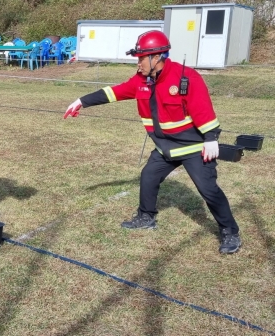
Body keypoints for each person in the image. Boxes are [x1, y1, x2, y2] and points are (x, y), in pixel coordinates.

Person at [63, 30, 241, 254]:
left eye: (140, 58)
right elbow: (114, 92)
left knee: (208, 190)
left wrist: (211, 139)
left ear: (156, 58)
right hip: (164, 147)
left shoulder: (186, 78)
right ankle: (146, 217)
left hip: (193, 148)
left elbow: (202, 108)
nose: (138, 64)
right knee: (148, 176)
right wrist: (81, 101)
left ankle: (230, 231)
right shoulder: (141, 81)